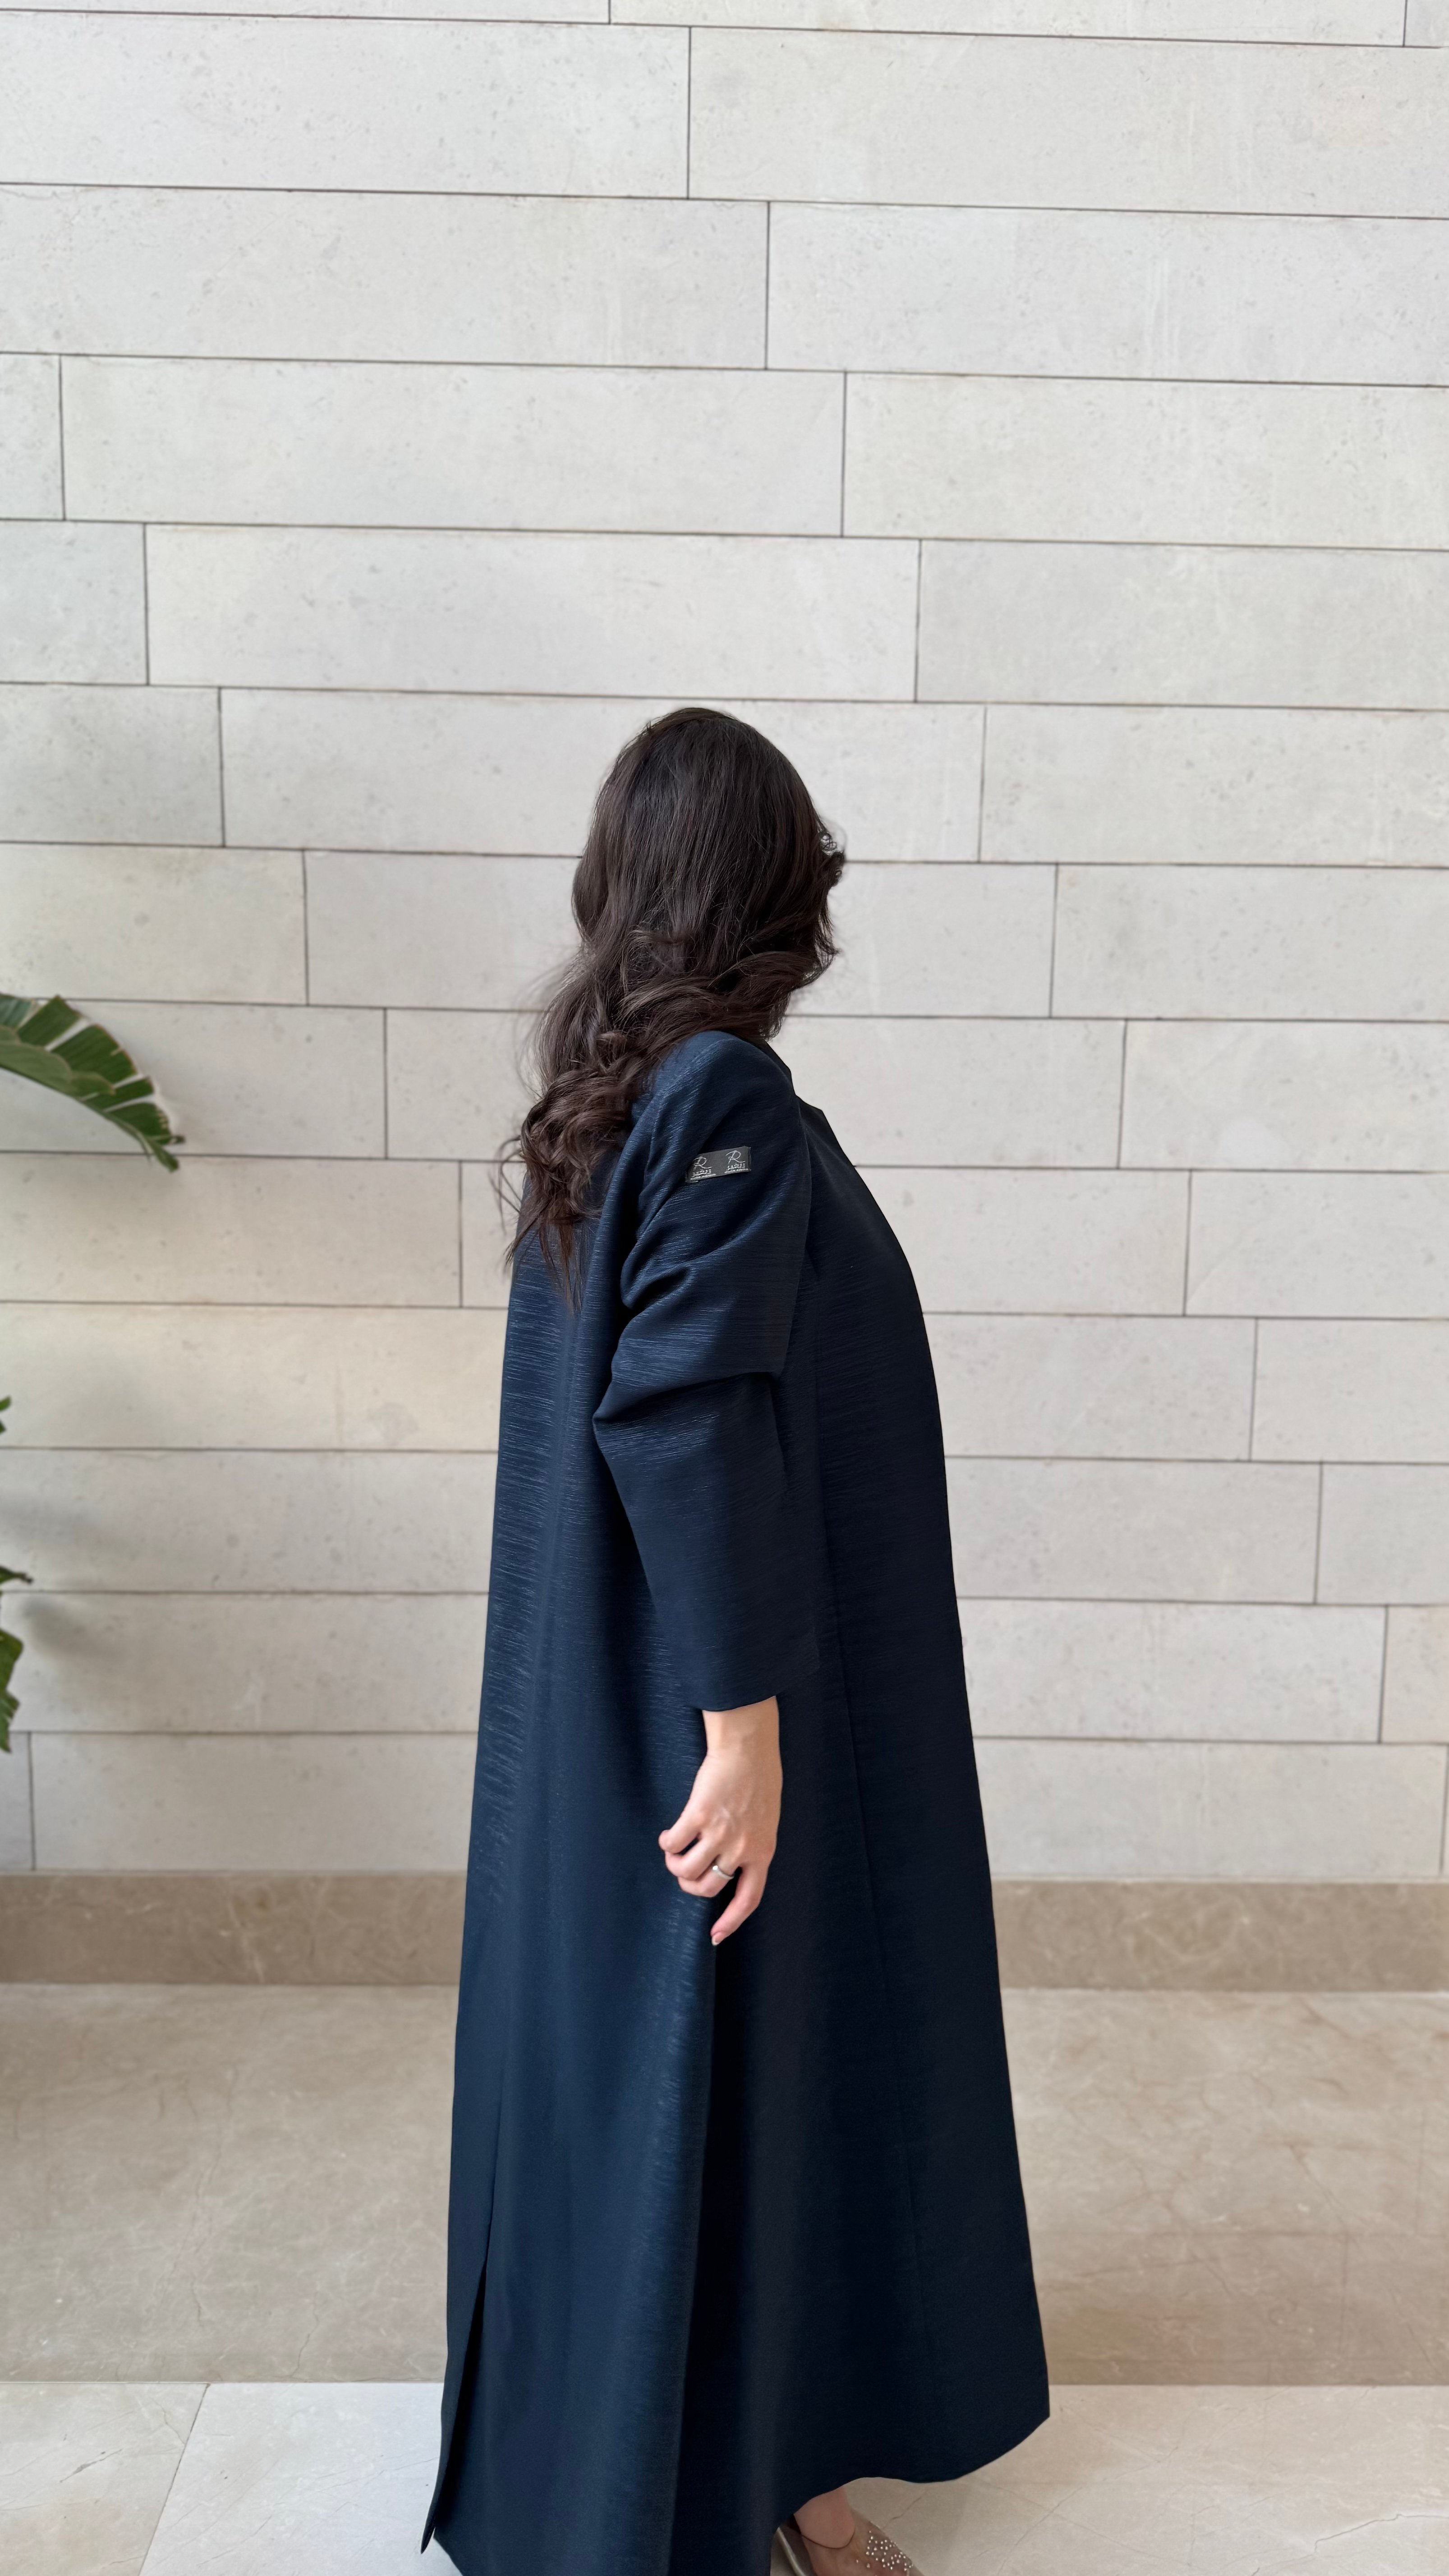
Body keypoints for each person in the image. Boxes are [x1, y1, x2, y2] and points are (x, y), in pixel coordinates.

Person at [423, 708, 1049, 2576]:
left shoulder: (616, 1096)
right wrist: (744, 1725)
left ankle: (740, 2463)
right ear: (776, 894)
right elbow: (682, 1416)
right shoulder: (723, 1102)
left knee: (701, 2070)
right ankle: (769, 2485)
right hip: (714, 1703)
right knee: (754, 2062)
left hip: (620, 1701)